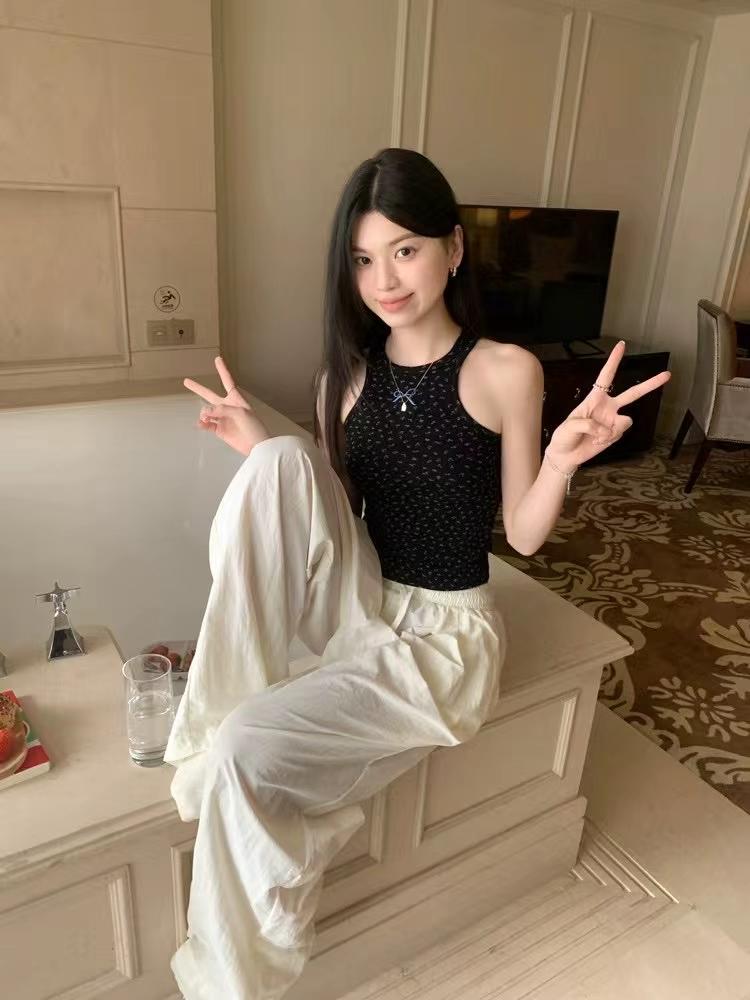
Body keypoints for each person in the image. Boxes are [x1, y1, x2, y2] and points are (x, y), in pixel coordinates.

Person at [163, 148, 671, 999]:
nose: (385, 280)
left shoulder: (504, 370)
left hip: (446, 632)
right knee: (283, 461)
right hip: (361, 600)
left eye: (404, 250)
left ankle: (230, 979)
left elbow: (524, 535)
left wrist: (560, 460)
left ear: (454, 247)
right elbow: (332, 516)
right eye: (364, 259)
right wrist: (264, 450)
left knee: (246, 748)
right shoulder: (345, 377)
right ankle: (217, 729)